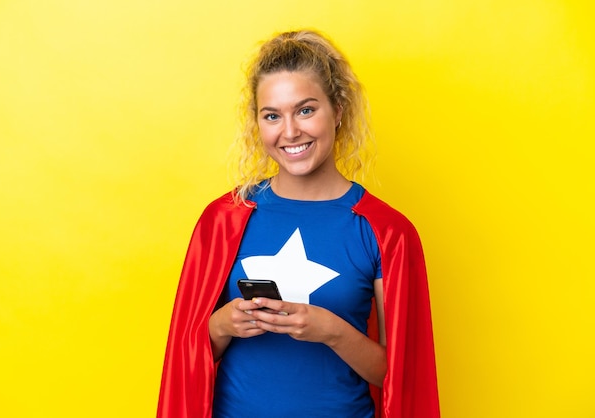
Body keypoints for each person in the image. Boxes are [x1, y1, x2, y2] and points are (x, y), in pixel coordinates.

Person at [157, 29, 440, 418]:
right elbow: (183, 360)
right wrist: (221, 325)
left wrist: (332, 331)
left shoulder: (386, 231)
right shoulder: (224, 218)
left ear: (337, 111)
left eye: (306, 110)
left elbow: (400, 376)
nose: (290, 132)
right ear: (257, 123)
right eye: (272, 115)